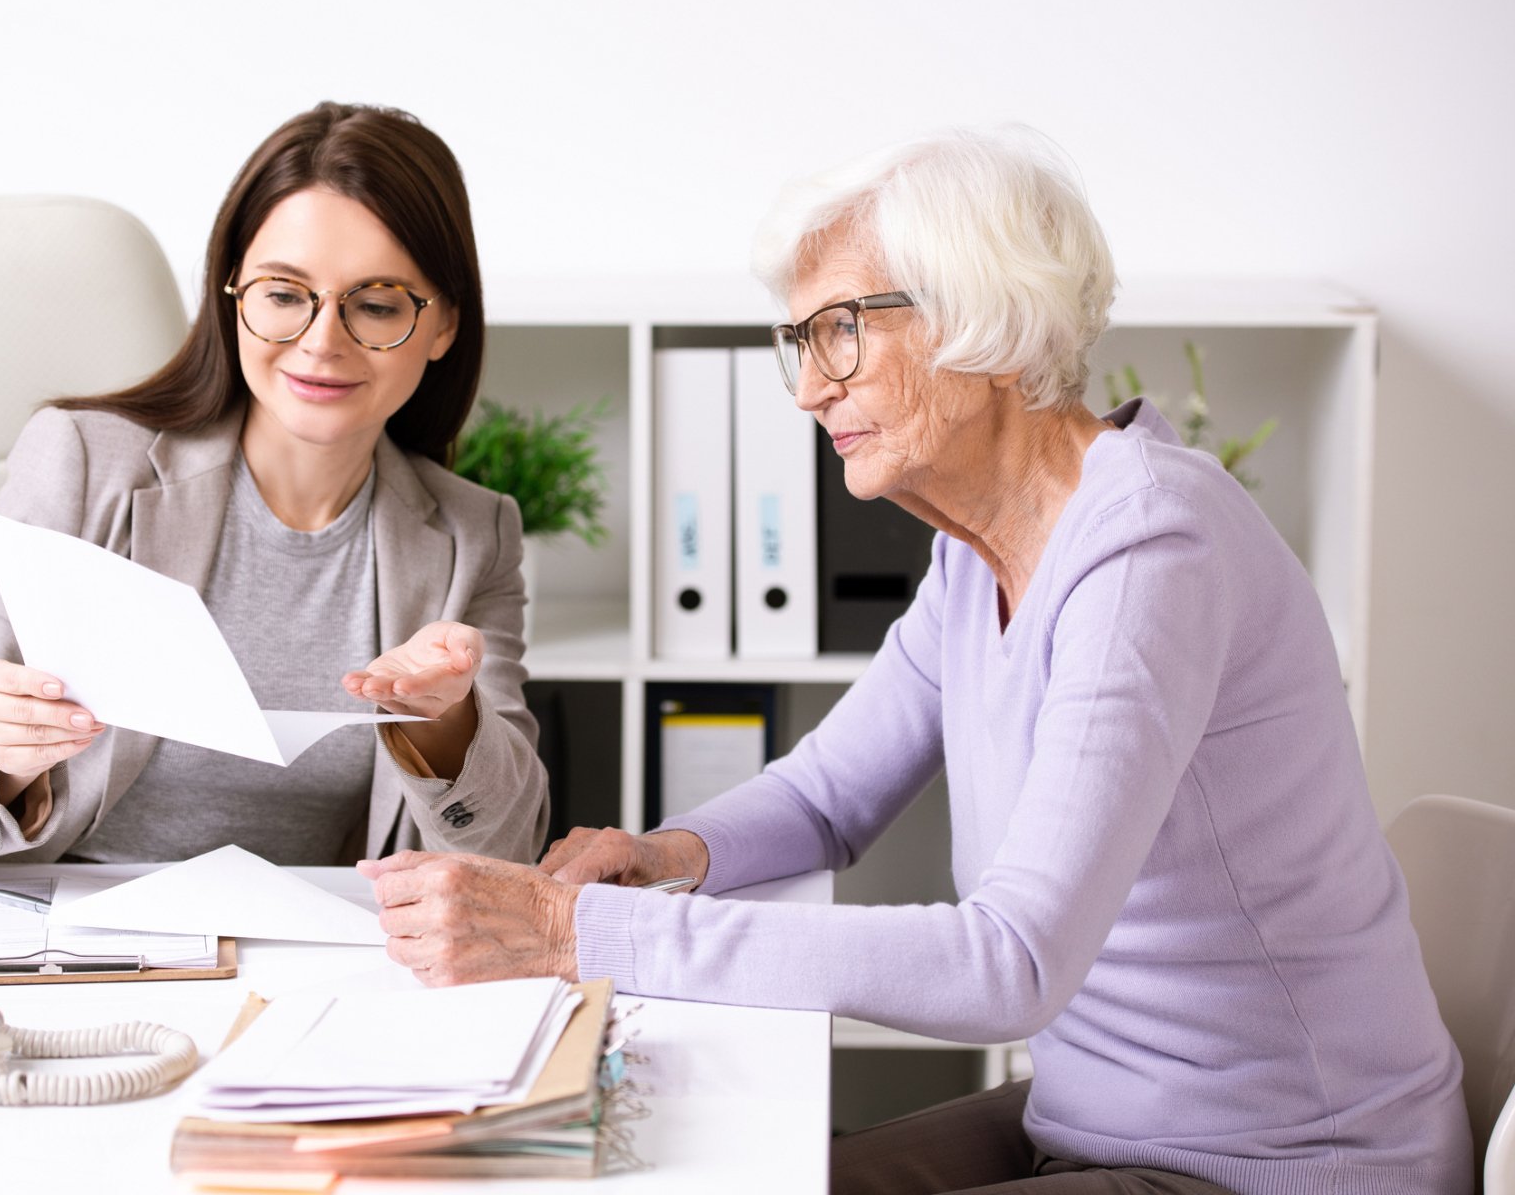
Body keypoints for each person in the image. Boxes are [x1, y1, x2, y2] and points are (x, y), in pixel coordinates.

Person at [359, 127, 1471, 1194]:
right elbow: (827, 796)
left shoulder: (1148, 551)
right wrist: (660, 854)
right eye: (799, 341)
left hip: (1272, 1164)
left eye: (839, 328)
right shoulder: (976, 555)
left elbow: (1009, 962)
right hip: (1092, 1120)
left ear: (983, 315)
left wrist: (576, 931)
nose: (806, 389)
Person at [0, 102, 549, 879]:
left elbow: (506, 859)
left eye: (376, 306)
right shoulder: (84, 465)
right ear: (232, 296)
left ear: (444, 323)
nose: (322, 341)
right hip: (62, 946)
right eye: (283, 295)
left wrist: (448, 728)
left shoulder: (471, 536)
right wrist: (2, 765)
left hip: (293, 964)